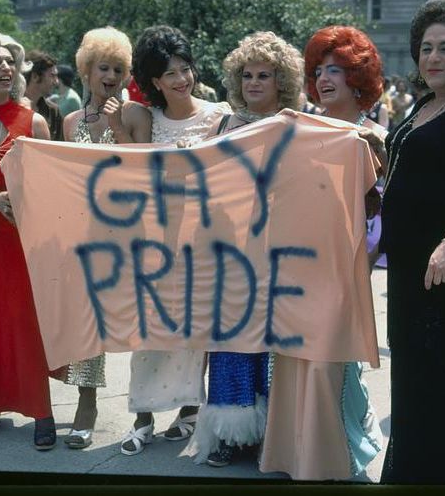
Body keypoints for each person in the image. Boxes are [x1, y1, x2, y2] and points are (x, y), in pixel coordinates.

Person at [259, 25, 385, 481]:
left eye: (337, 70)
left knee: (328, 366)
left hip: (339, 271)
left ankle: (332, 461)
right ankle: (291, 458)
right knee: (292, 362)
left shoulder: (372, 137)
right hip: (293, 266)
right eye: (319, 71)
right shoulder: (296, 128)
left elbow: (383, 214)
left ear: (358, 77)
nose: (325, 79)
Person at [185, 31, 304, 468]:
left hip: (277, 251)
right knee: (231, 342)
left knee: (271, 345)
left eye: (264, 76)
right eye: (247, 75)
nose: (254, 83)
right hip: (228, 251)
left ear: (281, 81)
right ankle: (234, 437)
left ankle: (272, 437)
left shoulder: (294, 124)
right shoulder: (223, 124)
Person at [120, 25, 232, 456]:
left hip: (204, 242)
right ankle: (142, 416)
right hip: (154, 242)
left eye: (185, 69)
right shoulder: (149, 120)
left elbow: (232, 176)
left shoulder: (219, 113)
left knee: (194, 332)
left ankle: (189, 409)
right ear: (154, 81)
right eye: (170, 74)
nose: (182, 79)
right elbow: (131, 177)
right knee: (148, 334)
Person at [379, 0, 445, 485]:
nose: (433, 57)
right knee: (414, 388)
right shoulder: (422, 105)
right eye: (426, 48)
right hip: (411, 278)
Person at [60, 26, 151, 450]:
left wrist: (117, 126)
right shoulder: (71, 120)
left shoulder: (137, 115)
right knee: (87, 324)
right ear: (87, 70)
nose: (110, 75)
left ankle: (145, 411)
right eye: (103, 67)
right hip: (87, 237)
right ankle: (86, 406)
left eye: (118, 68)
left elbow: (146, 174)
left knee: (141, 324)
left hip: (133, 235)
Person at [0, 29, 56, 450]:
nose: (6, 67)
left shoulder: (34, 121)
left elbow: (52, 183)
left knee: (23, 324)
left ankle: (42, 411)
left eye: (10, 60)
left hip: (22, 240)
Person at [23, 50, 63, 141]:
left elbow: (60, 149)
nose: (56, 82)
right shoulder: (10, 107)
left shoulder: (53, 112)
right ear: (35, 77)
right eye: (52, 75)